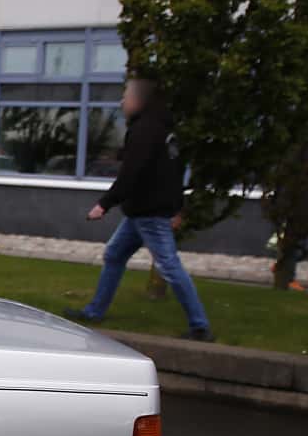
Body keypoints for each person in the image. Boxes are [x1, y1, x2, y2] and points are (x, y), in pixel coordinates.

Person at [63, 76, 214, 342]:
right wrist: (178, 208)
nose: (122, 102)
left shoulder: (143, 131)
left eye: (125, 96)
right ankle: (95, 311)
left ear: (137, 100)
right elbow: (177, 172)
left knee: (168, 265)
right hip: (143, 211)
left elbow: (131, 173)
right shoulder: (167, 130)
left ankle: (200, 326)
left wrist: (104, 204)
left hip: (149, 212)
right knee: (114, 255)